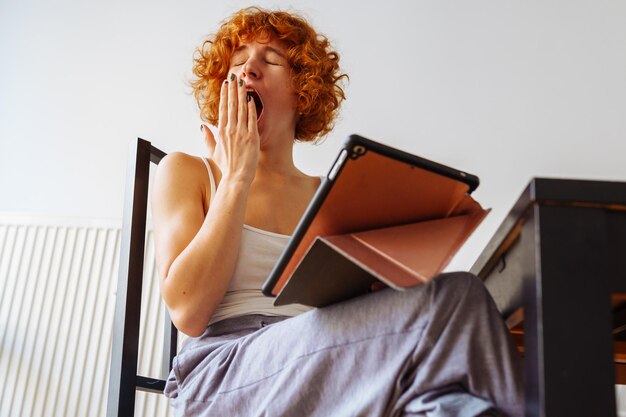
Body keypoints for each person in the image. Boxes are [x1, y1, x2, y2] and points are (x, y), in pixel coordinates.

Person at [152, 6, 523, 417]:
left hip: (329, 364)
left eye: (271, 60)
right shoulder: (189, 171)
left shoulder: (325, 193)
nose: (249, 70)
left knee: (449, 405)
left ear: (303, 92)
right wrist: (237, 176)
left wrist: (383, 288)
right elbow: (187, 312)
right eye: (237, 63)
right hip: (222, 373)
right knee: (458, 296)